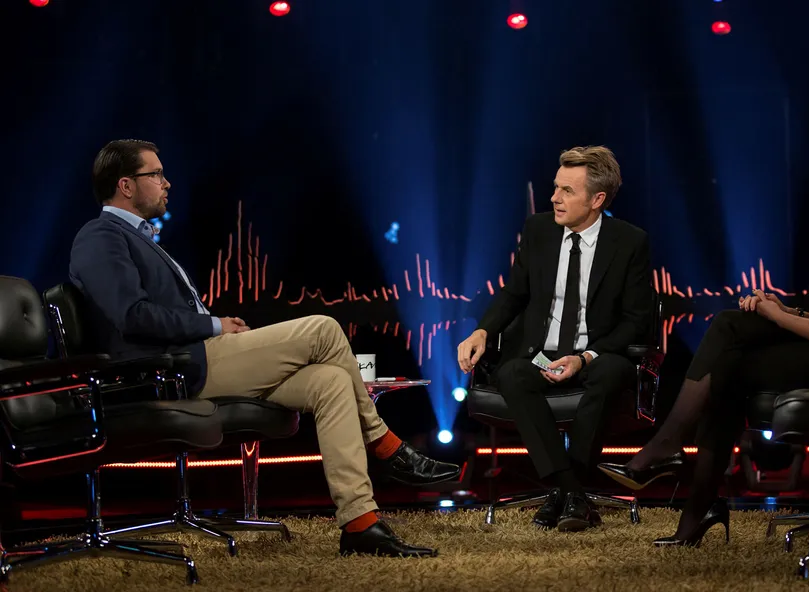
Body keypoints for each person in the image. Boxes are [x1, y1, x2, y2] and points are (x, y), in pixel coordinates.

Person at [70, 139, 461, 558]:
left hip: (200, 356)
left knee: (330, 382)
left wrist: (219, 326)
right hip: (173, 371)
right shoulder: (100, 236)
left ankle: (360, 523)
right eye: (156, 174)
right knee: (324, 329)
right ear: (125, 185)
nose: (167, 183)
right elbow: (132, 316)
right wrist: (214, 324)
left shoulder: (139, 238)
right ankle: (388, 447)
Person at [599, 132, 809, 547]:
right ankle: (683, 480)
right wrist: (785, 310)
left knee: (730, 362)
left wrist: (776, 315)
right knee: (730, 330)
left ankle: (681, 473)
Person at [457, 146, 653, 532]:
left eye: (567, 191)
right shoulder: (538, 230)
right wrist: (483, 330)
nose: (554, 198)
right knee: (512, 374)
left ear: (597, 200)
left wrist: (584, 358)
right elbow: (514, 293)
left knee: (611, 373)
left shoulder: (630, 242)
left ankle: (562, 494)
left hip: (596, 355)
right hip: (541, 355)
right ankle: (572, 492)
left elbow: (636, 321)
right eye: (555, 187)